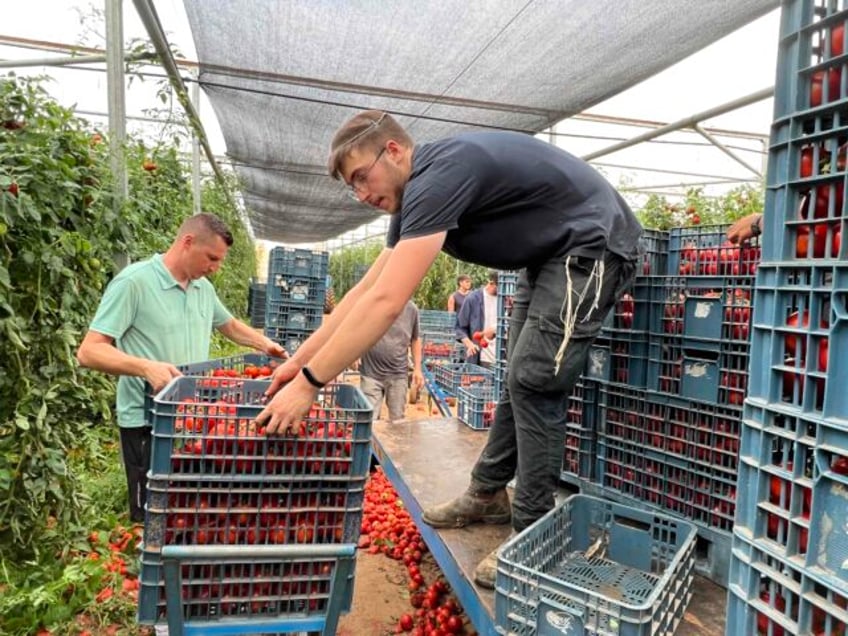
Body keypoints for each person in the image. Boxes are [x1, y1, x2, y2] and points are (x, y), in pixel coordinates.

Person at [256, 110, 641, 589]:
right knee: (518, 379)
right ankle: (487, 494)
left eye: (361, 176)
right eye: (351, 187)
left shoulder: (440, 175)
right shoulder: (416, 198)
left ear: (393, 151)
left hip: (593, 248)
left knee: (535, 380)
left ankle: (534, 533)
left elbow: (387, 302)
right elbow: (363, 291)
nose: (361, 194)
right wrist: (296, 364)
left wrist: (312, 384)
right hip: (546, 260)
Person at [76, 213, 286, 524]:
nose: (215, 267)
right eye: (211, 257)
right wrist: (145, 367)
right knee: (150, 511)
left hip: (193, 416)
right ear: (187, 242)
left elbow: (228, 324)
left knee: (188, 505)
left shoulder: (203, 289)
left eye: (219, 260)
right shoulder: (134, 282)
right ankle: (149, 564)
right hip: (148, 418)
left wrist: (264, 344)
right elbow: (89, 351)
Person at [358, 300, 424, 422]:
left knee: (397, 420)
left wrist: (417, 369)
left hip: (398, 374)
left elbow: (415, 339)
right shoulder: (374, 303)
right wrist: (355, 353)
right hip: (371, 373)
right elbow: (358, 329)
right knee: (368, 420)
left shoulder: (411, 309)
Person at [456, 271, 498, 367]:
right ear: (492, 283)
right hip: (481, 356)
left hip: (501, 357)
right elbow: (460, 328)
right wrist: (469, 344)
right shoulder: (473, 299)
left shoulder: (506, 300)